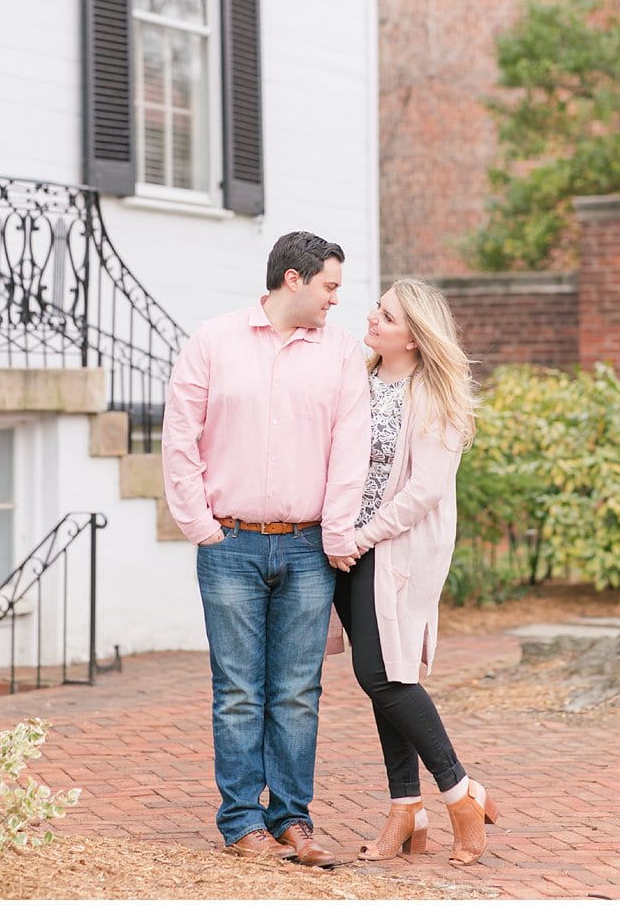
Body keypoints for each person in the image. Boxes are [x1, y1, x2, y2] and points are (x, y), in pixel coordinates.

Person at [162, 230, 370, 866]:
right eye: (330, 286)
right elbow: (180, 439)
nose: (337, 299)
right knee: (238, 691)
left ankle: (292, 820)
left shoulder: (342, 354)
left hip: (307, 548)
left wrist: (335, 533)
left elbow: (350, 451)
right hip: (230, 543)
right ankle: (241, 822)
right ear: (293, 280)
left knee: (298, 691)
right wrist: (201, 526)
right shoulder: (214, 342)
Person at [327, 277, 500, 866]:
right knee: (381, 679)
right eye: (377, 310)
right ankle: (407, 810)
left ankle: (459, 794)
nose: (373, 319)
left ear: (417, 338)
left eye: (388, 317)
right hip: (346, 546)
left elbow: (426, 488)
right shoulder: (359, 381)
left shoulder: (433, 396)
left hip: (394, 548)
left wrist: (363, 537)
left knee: (385, 676)